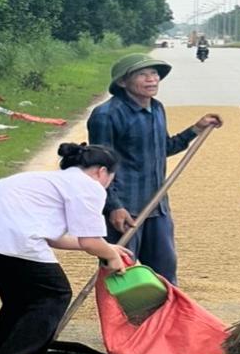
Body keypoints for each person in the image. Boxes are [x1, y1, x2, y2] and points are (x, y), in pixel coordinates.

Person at [0, 143, 132, 354]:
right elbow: (90, 241)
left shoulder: (55, 181)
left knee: (20, 297)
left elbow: (55, 237)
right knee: (54, 292)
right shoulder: (88, 186)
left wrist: (108, 248)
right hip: (6, 234)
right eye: (111, 177)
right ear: (102, 171)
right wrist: (110, 257)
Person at [87, 53, 222, 285]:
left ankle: (163, 321)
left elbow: (164, 147)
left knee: (164, 275)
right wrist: (114, 207)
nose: (152, 79)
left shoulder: (157, 109)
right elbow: (97, 168)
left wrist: (196, 129)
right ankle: (121, 321)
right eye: (142, 74)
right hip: (125, 210)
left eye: (155, 74)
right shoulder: (107, 115)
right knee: (121, 275)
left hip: (157, 207)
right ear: (122, 82)